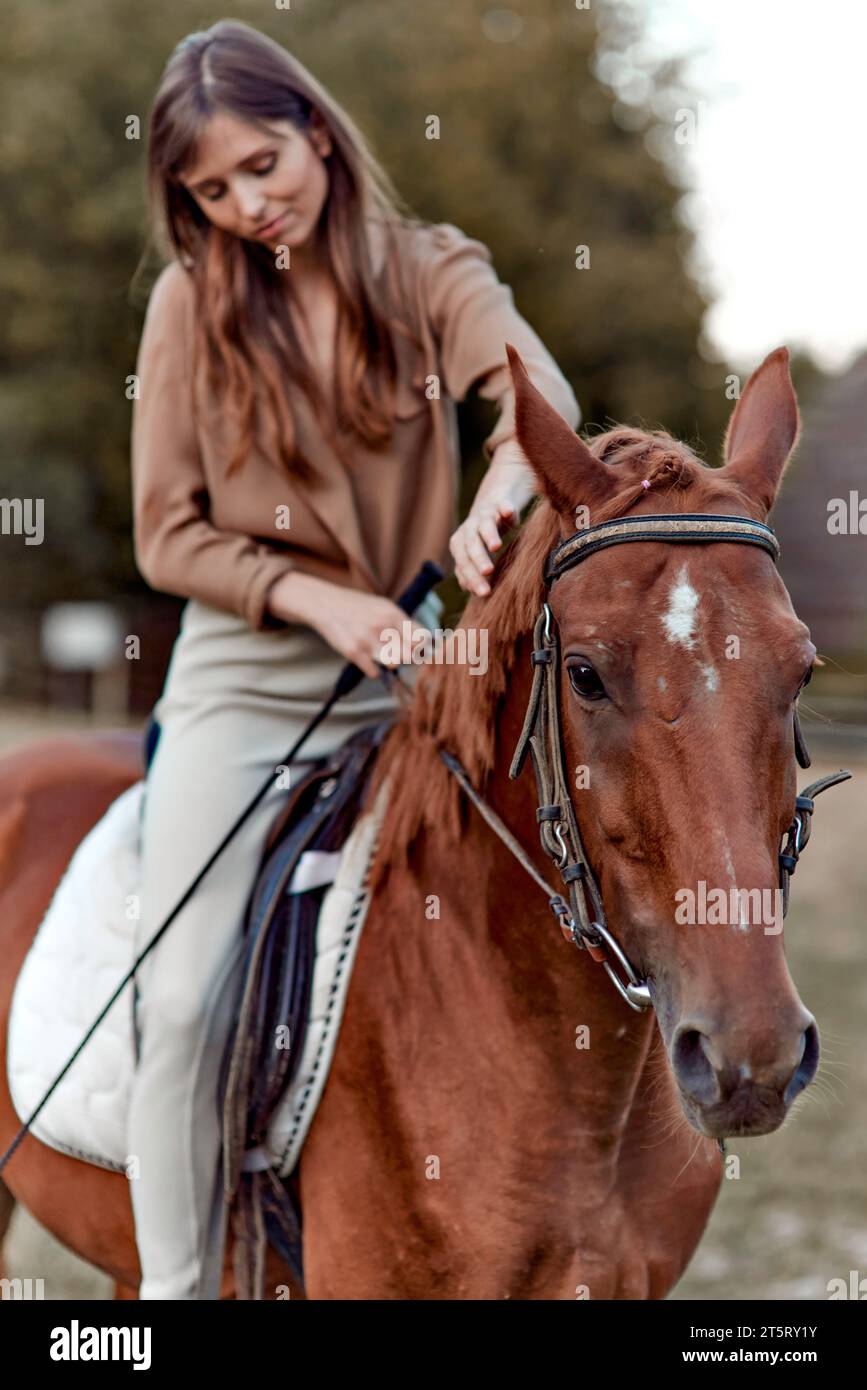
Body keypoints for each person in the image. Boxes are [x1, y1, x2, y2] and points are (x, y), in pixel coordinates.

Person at [128, 18, 581, 1300]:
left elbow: (530, 385)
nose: (245, 206)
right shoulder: (187, 306)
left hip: (412, 679)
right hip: (244, 686)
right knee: (185, 1000)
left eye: (263, 165)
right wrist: (320, 602)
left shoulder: (431, 267)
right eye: (211, 191)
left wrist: (506, 473)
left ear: (317, 130)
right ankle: (171, 1293)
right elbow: (166, 534)